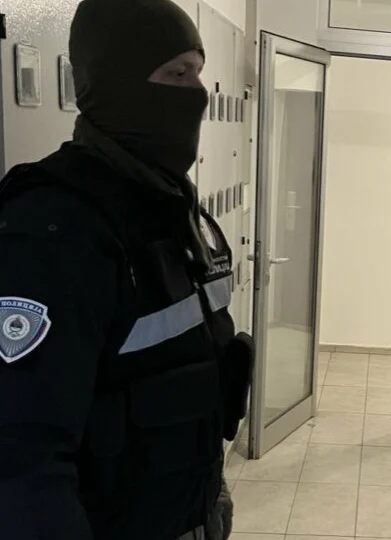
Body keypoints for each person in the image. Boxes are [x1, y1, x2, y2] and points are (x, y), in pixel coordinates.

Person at [0, 0, 251, 538]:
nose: (198, 94)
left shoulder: (174, 208)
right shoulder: (54, 228)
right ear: (117, 83)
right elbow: (22, 460)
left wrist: (213, 491)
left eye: (198, 72)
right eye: (176, 74)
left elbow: (185, 372)